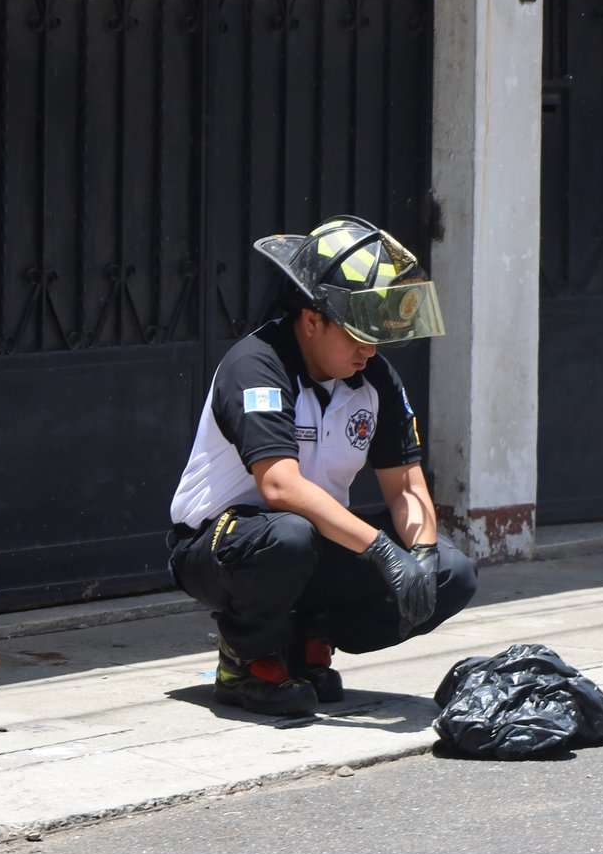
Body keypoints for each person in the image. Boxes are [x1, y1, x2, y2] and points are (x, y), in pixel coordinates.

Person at [167, 217, 478, 717]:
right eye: (357, 335)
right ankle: (246, 660)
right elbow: (279, 486)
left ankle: (310, 640)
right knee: (289, 534)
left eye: (376, 335)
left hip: (315, 541)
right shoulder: (256, 365)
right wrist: (381, 551)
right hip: (221, 546)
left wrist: (417, 556)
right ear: (312, 320)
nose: (369, 350)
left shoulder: (373, 377)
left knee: (452, 573)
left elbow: (405, 487)